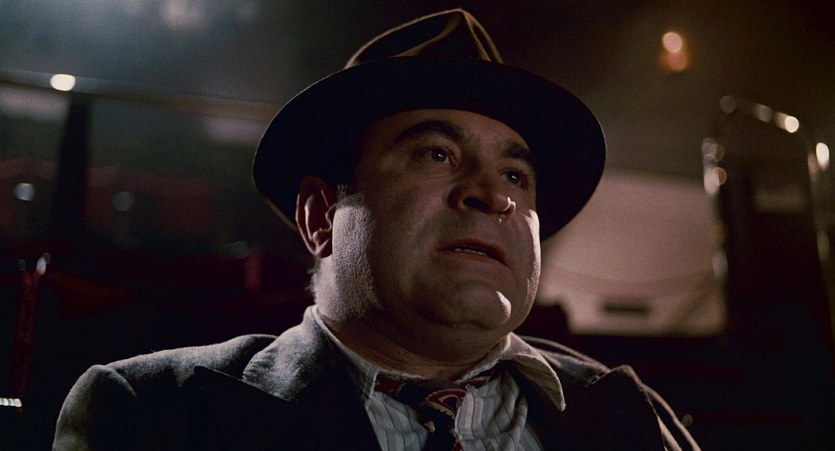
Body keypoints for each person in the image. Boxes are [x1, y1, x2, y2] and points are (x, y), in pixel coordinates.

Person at [53, 9, 700, 450]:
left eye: (516, 174)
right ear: (320, 217)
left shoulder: (624, 412)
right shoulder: (156, 412)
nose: (493, 194)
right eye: (436, 154)